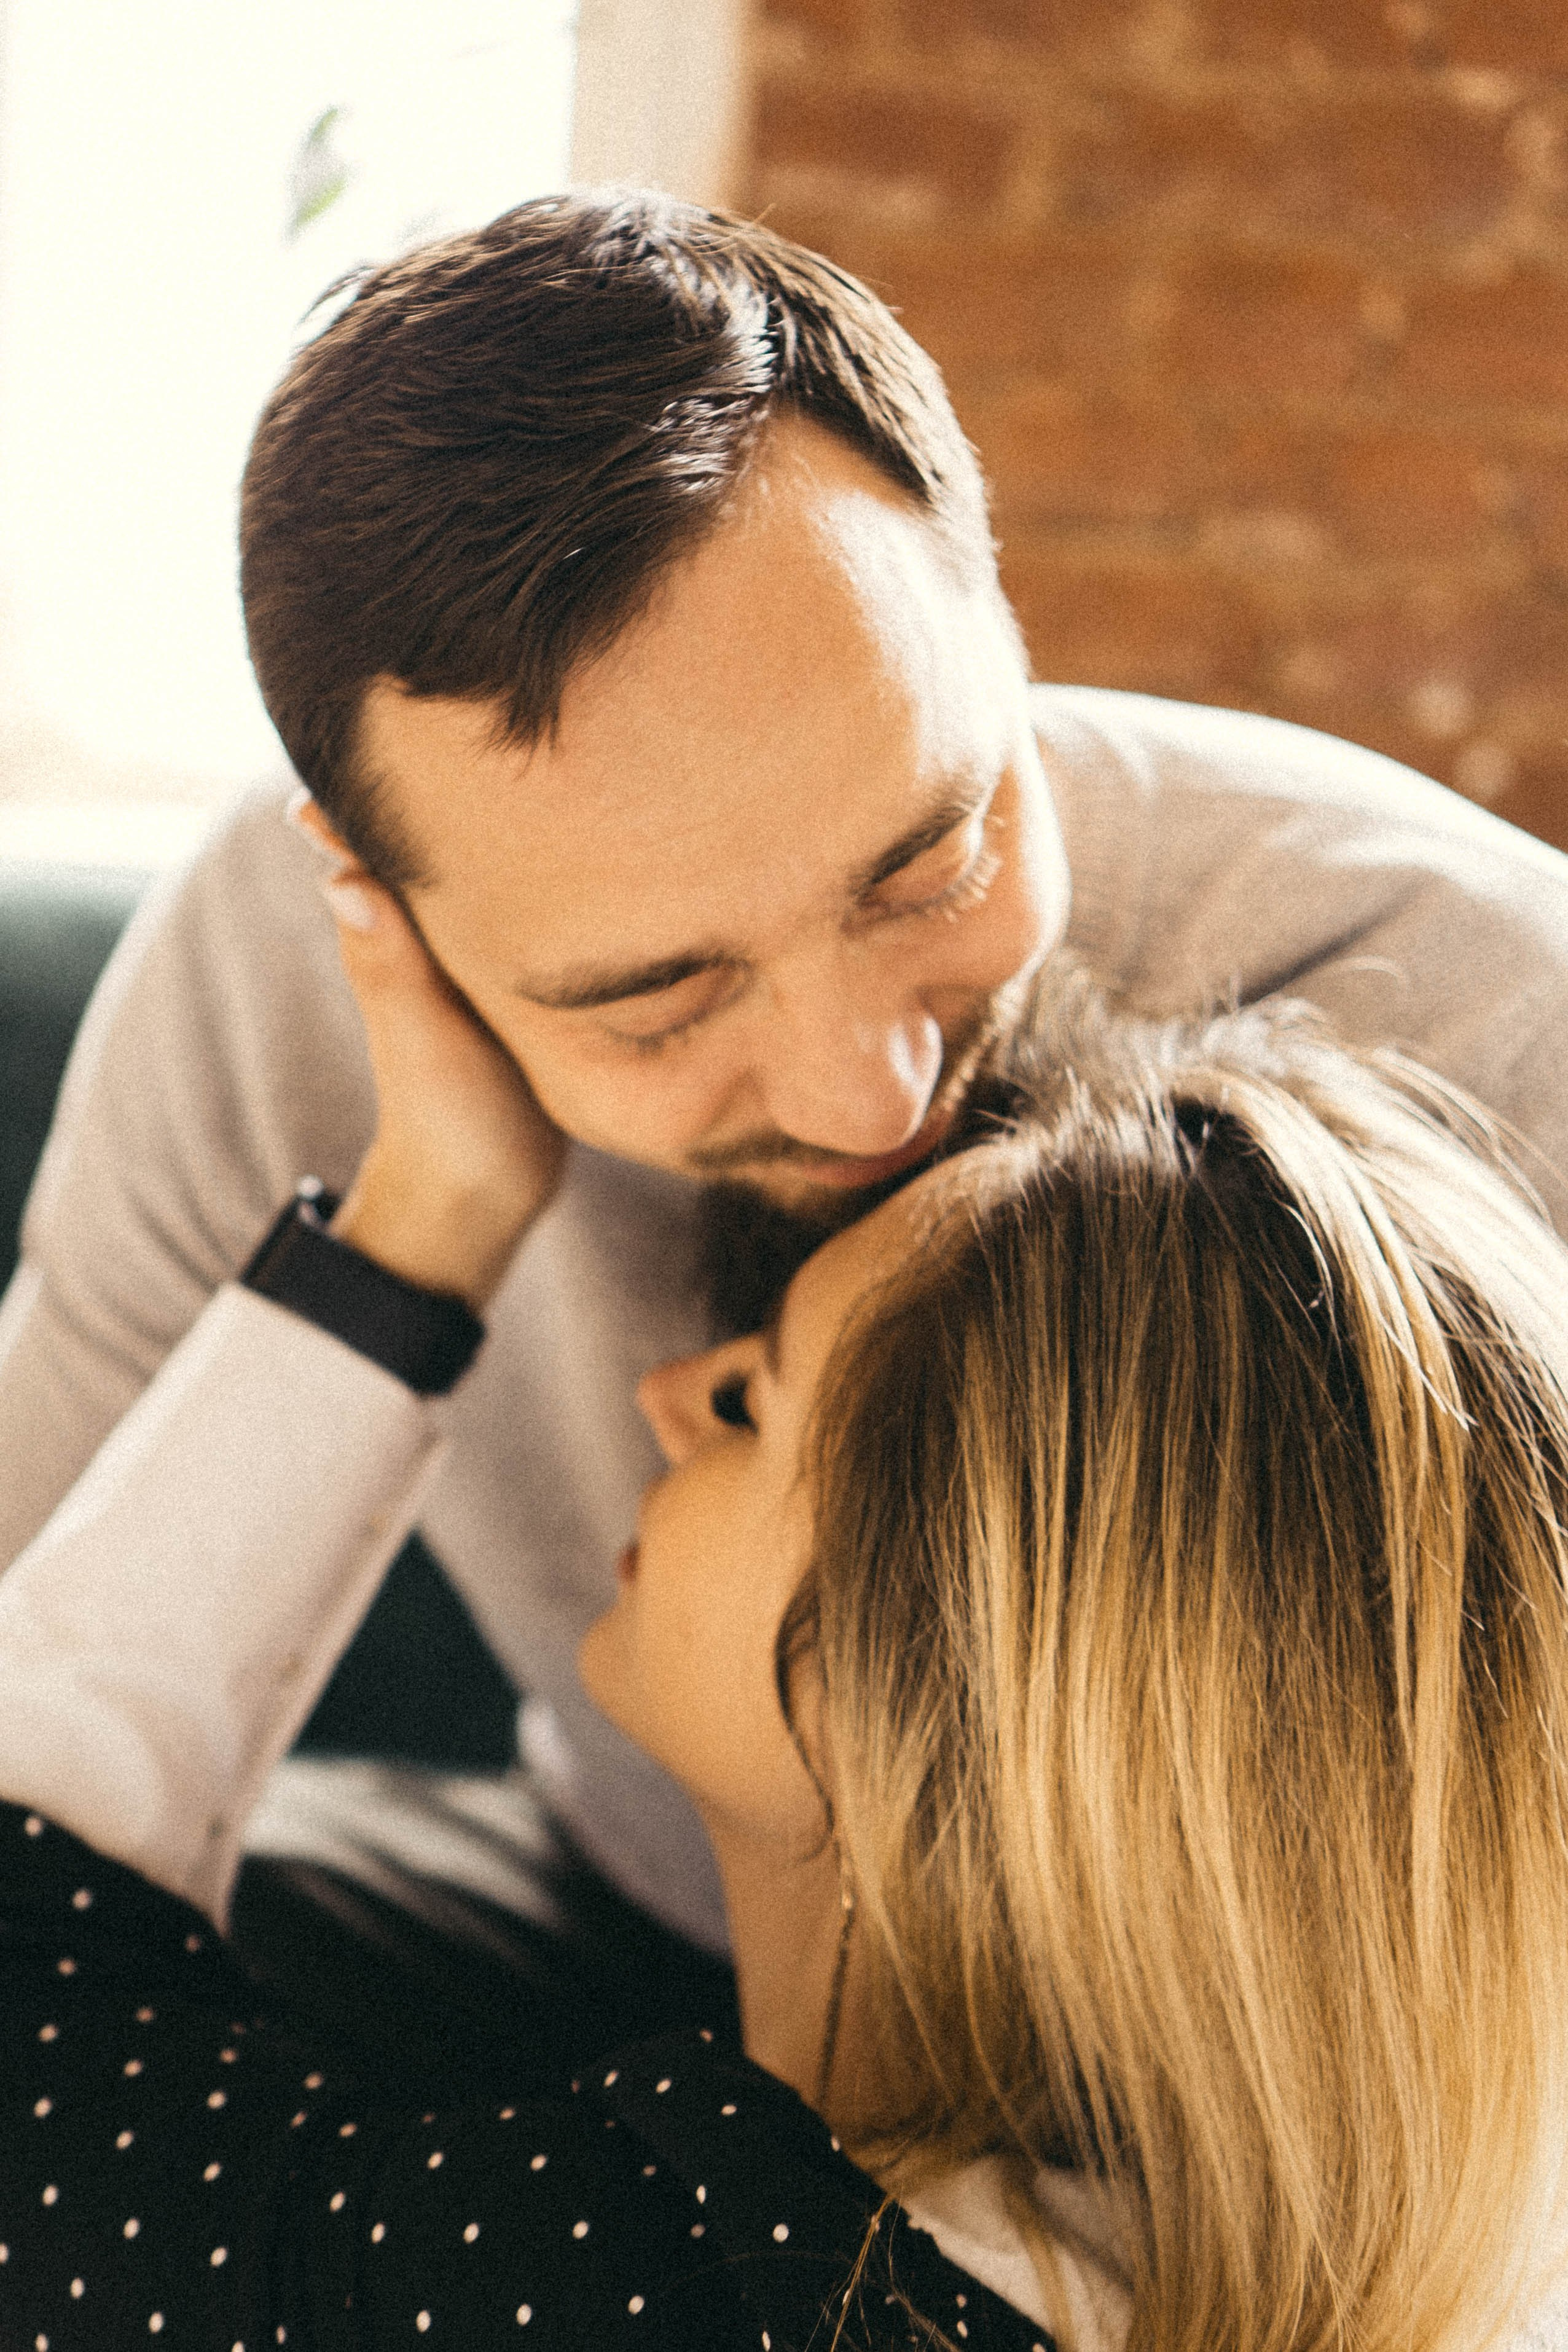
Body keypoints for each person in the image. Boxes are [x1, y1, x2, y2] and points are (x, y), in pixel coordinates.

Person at [2, 186, 1567, 2038]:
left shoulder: (1488, 1005)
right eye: (658, 998)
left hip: (1292, 2074)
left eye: (927, 862)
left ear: (993, 610)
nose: (870, 1085)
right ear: (381, 898)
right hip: (634, 1916)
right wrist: (418, 1222)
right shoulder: (265, 991)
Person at [1, 992, 1567, 2352]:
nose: (667, 1393)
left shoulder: (695, 2291)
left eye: (759, 1406)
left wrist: (428, 1224)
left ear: (926, 1693)